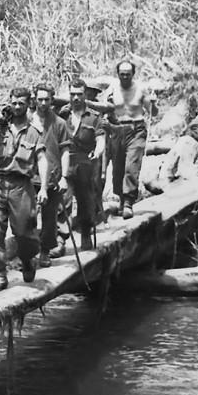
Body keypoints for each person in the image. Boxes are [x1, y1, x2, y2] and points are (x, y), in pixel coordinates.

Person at [0, 86, 48, 292]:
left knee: (24, 231)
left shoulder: (34, 132)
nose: (17, 107)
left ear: (28, 105)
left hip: (21, 185)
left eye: (21, 103)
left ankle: (27, 260)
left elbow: (42, 159)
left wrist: (43, 187)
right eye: (14, 103)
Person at [92, 60, 157, 218]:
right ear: (118, 74)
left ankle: (128, 201)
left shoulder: (141, 89)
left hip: (136, 130)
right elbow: (106, 109)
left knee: (131, 166)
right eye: (122, 74)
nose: (125, 77)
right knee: (118, 169)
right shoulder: (112, 89)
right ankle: (121, 199)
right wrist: (105, 120)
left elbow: (152, 113)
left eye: (128, 74)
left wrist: (154, 103)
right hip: (117, 130)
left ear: (133, 74)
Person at [61, 79, 107, 240]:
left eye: (79, 94)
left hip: (84, 162)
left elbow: (100, 138)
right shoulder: (62, 115)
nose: (75, 98)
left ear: (85, 94)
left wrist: (98, 151)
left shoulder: (93, 117)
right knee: (63, 199)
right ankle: (61, 237)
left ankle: (86, 232)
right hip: (65, 160)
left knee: (85, 200)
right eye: (72, 94)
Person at [32, 83, 72, 266]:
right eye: (39, 99)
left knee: (50, 219)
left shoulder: (59, 123)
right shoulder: (26, 121)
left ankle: (45, 251)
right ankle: (28, 251)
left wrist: (64, 177)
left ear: (52, 100)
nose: (42, 103)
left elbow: (65, 151)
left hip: (52, 177)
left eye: (46, 99)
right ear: (34, 99)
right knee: (25, 217)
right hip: (27, 176)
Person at [148, 115, 198, 192]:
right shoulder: (165, 175)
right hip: (192, 136)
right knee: (183, 171)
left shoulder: (164, 174)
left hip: (190, 136)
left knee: (180, 169)